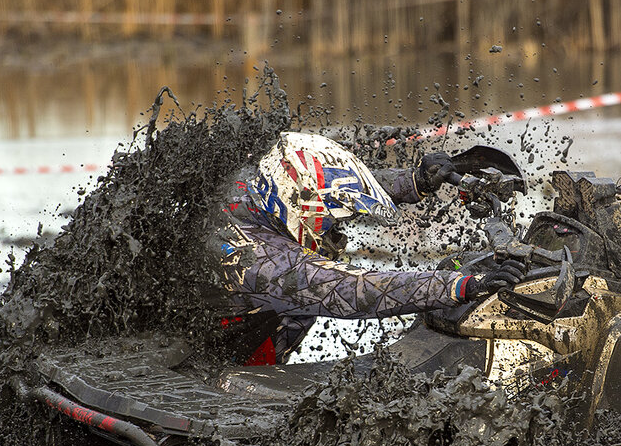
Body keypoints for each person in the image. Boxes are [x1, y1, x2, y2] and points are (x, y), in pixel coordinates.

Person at [214, 131, 526, 364]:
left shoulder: (253, 187)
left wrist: (417, 181)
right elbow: (357, 290)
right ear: (302, 210)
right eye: (331, 219)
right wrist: (464, 285)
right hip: (218, 383)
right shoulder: (261, 264)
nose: (339, 228)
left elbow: (326, 184)